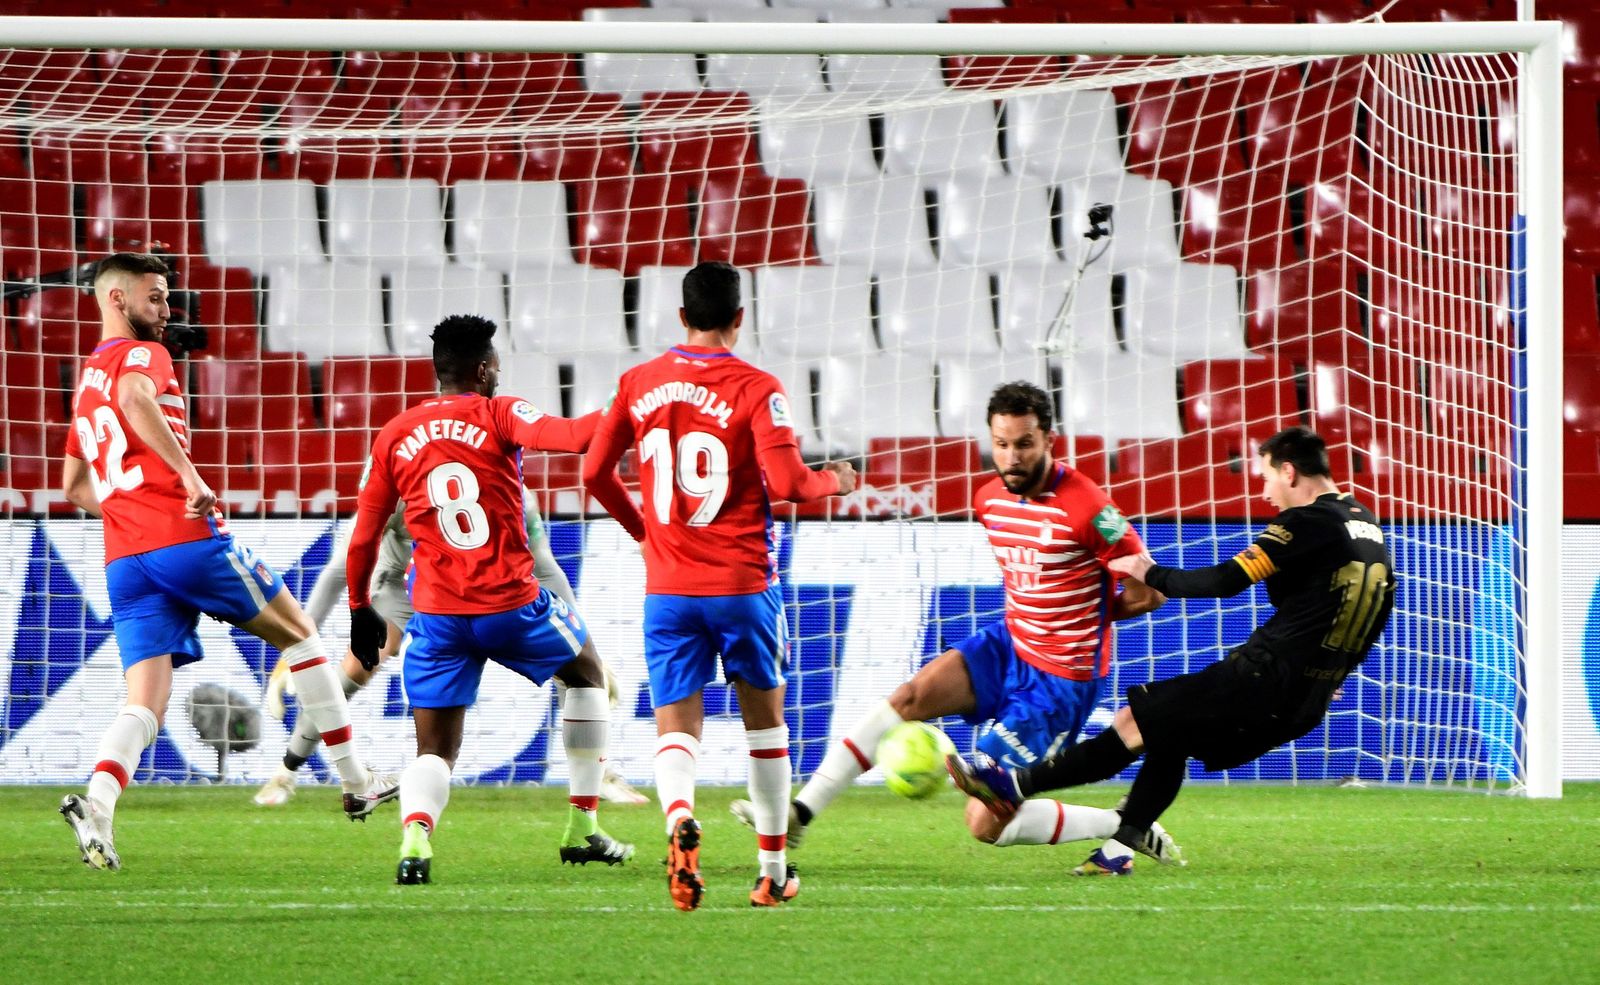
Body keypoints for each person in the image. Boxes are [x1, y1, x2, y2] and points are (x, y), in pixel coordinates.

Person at [733, 380, 1180, 863]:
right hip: (1008, 644)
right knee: (909, 698)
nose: (1012, 457)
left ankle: (1127, 822)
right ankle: (800, 813)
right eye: (1002, 444)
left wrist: (1078, 614)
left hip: (1059, 680)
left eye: (1025, 444)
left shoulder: (1091, 508)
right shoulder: (989, 500)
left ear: (1050, 440)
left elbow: (1148, 593)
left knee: (985, 820)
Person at [57, 252, 395, 872]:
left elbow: (75, 483)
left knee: (145, 705)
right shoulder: (142, 359)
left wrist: (131, 511)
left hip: (125, 558)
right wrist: (187, 479)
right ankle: (355, 781)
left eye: (164, 297)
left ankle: (99, 804)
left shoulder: (85, 381)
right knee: (302, 635)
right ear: (115, 301)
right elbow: (135, 395)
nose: (164, 309)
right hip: (182, 537)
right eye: (153, 297)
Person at [952, 426, 1396, 876]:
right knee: (1171, 736)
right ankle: (1121, 847)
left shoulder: (1305, 522)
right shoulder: (1366, 524)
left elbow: (1227, 581)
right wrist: (1333, 672)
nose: (1265, 493)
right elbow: (1377, 605)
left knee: (1134, 721)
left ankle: (1011, 783)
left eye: (1266, 478)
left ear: (1290, 471)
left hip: (1262, 677)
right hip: (1308, 700)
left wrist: (1153, 572)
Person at [581, 261, 856, 909]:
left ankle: (679, 817)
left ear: (681, 317)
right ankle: (772, 869)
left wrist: (645, 531)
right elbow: (789, 484)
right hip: (741, 581)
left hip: (669, 585)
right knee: (766, 726)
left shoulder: (638, 381)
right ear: (740, 317)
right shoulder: (758, 387)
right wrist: (834, 482)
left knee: (676, 723)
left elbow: (594, 470)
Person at [348, 313, 633, 885]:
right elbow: (577, 438)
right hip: (510, 606)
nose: (499, 373)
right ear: (483, 369)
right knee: (587, 674)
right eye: (496, 365)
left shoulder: (395, 432)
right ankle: (582, 828)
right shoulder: (501, 412)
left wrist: (360, 610)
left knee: (435, 752)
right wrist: (629, 401)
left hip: (437, 617)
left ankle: (415, 842)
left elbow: (362, 537)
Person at [253, 488, 648, 807]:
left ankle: (603, 774)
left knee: (569, 661)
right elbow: (340, 569)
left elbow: (545, 566)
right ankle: (287, 770)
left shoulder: (513, 491)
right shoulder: (397, 488)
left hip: (477, 589)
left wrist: (583, 637)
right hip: (400, 586)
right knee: (361, 664)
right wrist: (300, 643)